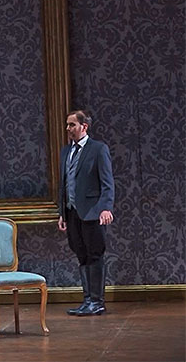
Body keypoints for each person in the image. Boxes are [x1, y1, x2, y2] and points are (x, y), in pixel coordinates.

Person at [57, 110, 115, 316]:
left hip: (92, 211)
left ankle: (97, 301)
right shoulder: (66, 151)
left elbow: (107, 182)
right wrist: (62, 212)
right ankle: (87, 299)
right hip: (72, 212)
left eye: (72, 125)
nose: (68, 129)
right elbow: (64, 183)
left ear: (84, 126)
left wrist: (106, 207)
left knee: (95, 255)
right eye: (67, 125)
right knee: (81, 255)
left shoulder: (98, 149)